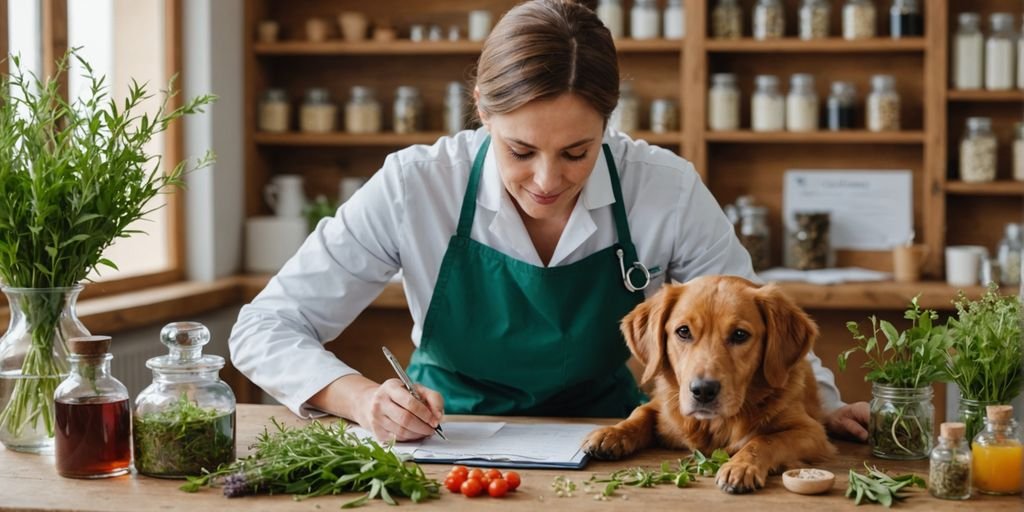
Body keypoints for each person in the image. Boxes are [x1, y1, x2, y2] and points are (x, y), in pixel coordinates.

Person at [229, 0, 869, 443]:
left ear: (608, 122)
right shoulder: (416, 185)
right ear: (480, 109)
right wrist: (361, 399)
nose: (547, 180)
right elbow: (264, 327)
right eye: (520, 150)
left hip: (604, 440)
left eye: (576, 152)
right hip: (445, 439)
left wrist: (829, 407)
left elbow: (745, 315)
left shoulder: (663, 187)